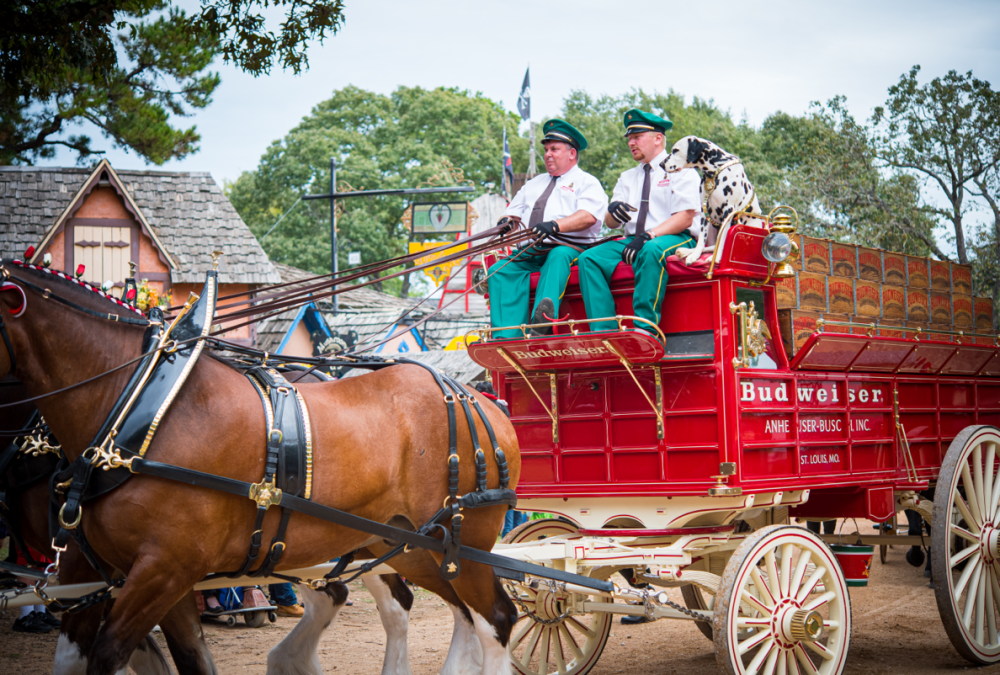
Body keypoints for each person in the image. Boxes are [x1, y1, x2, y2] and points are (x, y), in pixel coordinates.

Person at [577, 109, 702, 337]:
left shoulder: (681, 170)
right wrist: (613, 211)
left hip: (677, 237)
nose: (631, 143)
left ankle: (646, 330)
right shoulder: (627, 177)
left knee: (652, 250)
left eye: (637, 137)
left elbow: (685, 217)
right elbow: (611, 223)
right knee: (588, 259)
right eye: (629, 138)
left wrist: (648, 236)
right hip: (634, 239)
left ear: (658, 138)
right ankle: (604, 331)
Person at [487, 119, 608, 338]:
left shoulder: (587, 182)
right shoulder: (533, 184)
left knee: (558, 255)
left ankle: (541, 323)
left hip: (569, 247)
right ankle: (506, 335)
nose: (548, 154)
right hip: (531, 250)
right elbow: (512, 212)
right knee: (498, 270)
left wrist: (555, 225)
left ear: (572, 153)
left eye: (554, 149)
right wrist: (505, 224)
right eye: (545, 150)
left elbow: (588, 216)